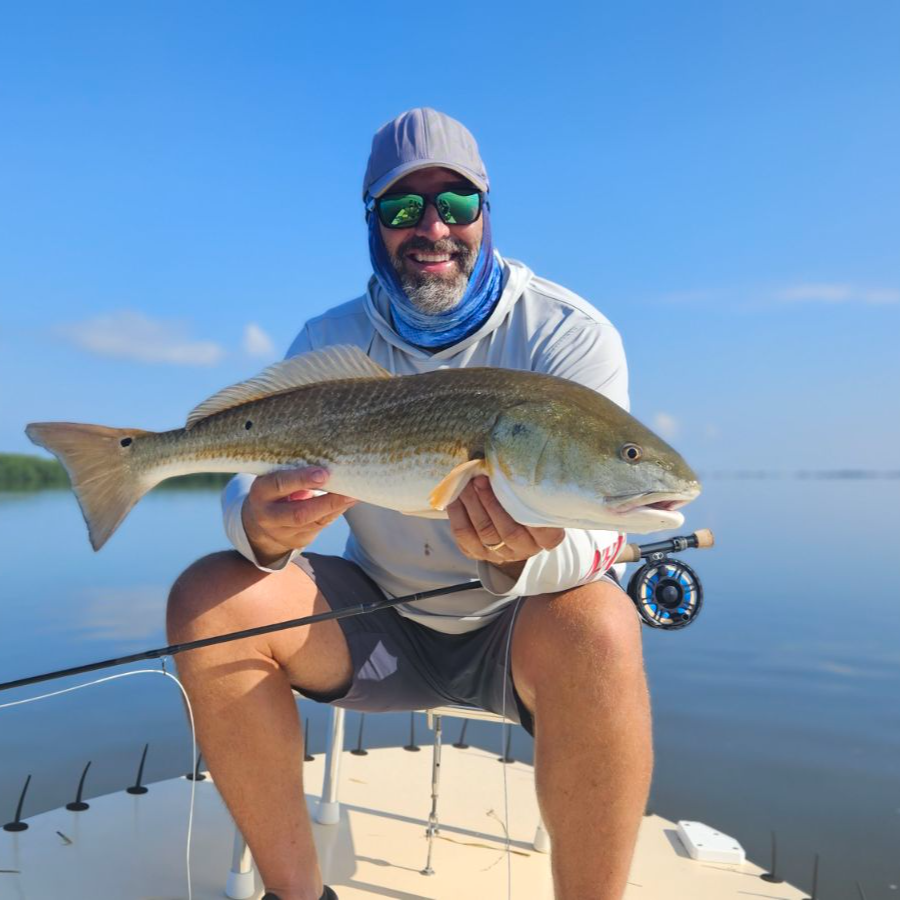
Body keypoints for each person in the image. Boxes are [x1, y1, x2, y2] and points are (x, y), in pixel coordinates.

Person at [166, 108, 652, 900]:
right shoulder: (330, 337)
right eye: (401, 208)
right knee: (208, 596)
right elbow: (254, 465)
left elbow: (603, 524)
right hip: (376, 622)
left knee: (603, 622)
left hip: (518, 633)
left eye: (456, 204)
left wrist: (521, 556)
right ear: (373, 224)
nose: (432, 227)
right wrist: (254, 526)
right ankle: (299, 894)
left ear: (487, 213)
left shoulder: (567, 335)